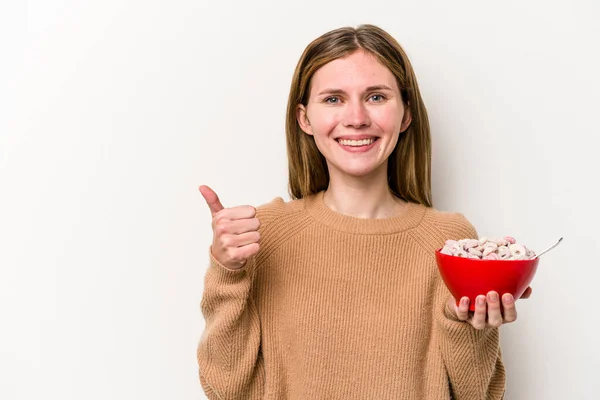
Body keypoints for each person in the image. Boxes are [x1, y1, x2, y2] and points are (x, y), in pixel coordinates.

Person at [197, 24, 532, 399]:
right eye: (334, 99)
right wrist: (227, 273)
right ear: (304, 119)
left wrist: (469, 324)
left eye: (375, 97)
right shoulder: (263, 234)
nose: (356, 118)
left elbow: (477, 394)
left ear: (406, 115)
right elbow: (226, 388)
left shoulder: (449, 239)